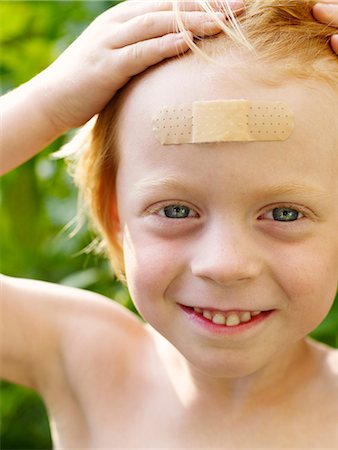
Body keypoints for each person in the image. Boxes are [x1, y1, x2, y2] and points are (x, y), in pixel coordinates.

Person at [1, 0, 337, 448]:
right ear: (115, 215)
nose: (225, 264)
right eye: (177, 211)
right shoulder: (85, 357)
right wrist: (46, 105)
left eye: (284, 214)